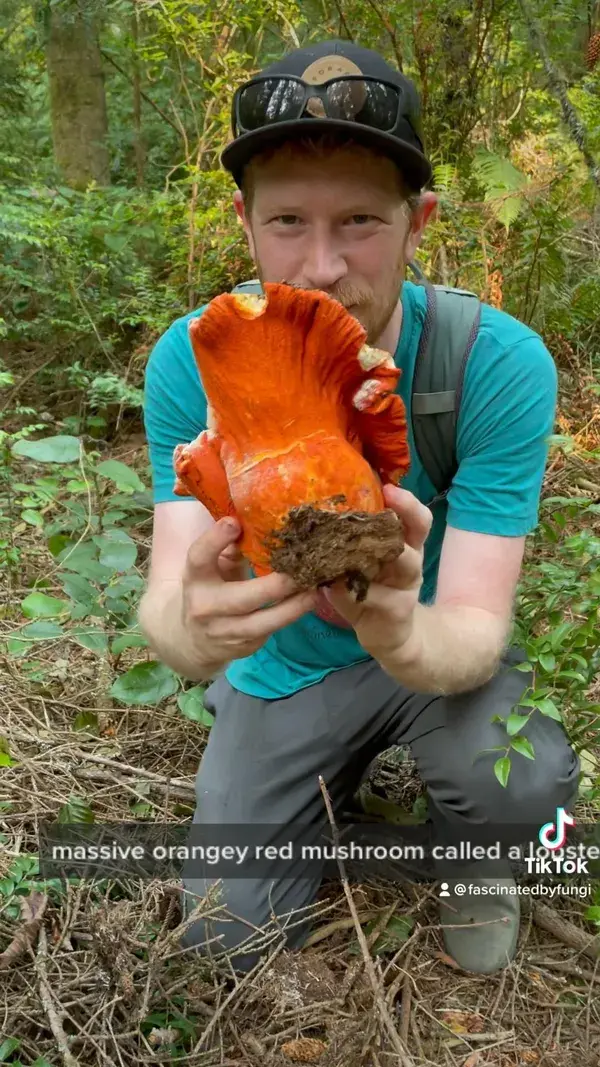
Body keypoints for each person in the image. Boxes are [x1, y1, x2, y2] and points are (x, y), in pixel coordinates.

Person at [139, 39, 580, 976]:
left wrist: (401, 636)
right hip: (283, 672)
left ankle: (475, 853)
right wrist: (195, 631)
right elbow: (168, 608)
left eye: (362, 222)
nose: (323, 264)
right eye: (288, 220)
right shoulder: (197, 359)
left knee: (529, 789)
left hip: (430, 657)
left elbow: (470, 623)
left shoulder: (490, 364)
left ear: (418, 221)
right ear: (245, 221)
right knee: (227, 936)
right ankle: (306, 775)